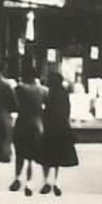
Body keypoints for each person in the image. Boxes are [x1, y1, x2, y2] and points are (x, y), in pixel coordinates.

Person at [37, 71, 80, 196]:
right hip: (61, 127)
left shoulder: (48, 93)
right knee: (58, 156)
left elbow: (45, 111)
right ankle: (56, 182)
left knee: (46, 157)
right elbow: (67, 111)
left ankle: (46, 182)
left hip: (49, 127)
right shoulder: (64, 94)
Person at [10, 64, 46, 195]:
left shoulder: (19, 89)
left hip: (22, 123)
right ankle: (29, 183)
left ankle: (17, 177)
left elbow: (14, 105)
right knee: (31, 155)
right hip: (37, 125)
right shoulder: (43, 90)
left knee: (20, 153)